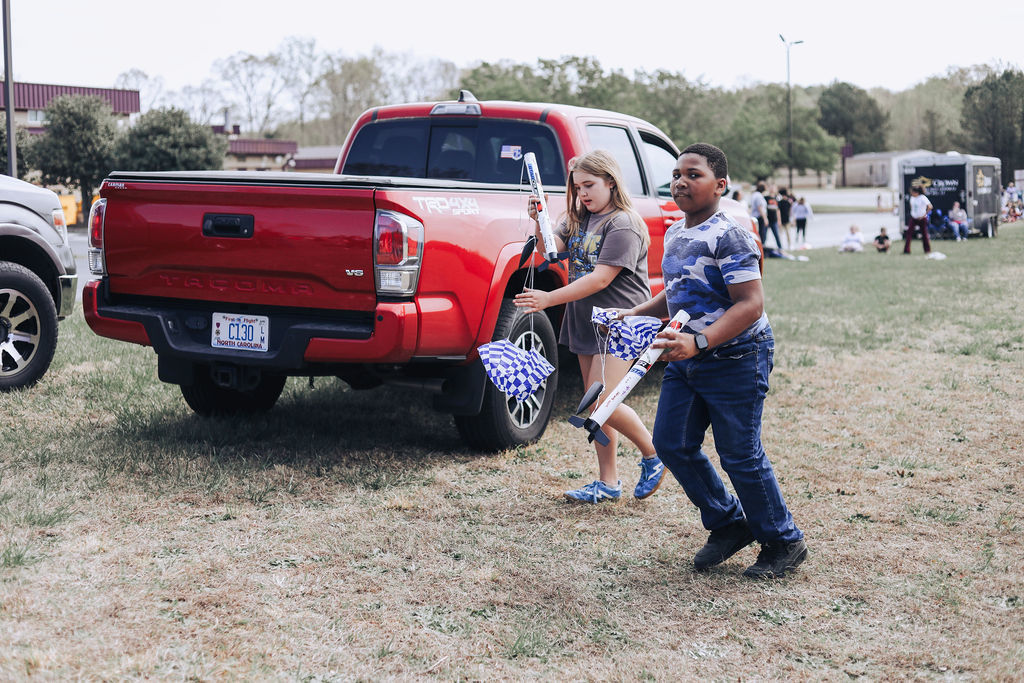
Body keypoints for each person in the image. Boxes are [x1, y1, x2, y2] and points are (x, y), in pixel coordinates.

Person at [619, 143, 807, 579]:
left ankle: (784, 541)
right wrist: (638, 312)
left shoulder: (731, 234)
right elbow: (682, 286)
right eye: (676, 174)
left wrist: (700, 343)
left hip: (737, 355)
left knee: (739, 453)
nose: (681, 181)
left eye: (694, 174)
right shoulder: (679, 232)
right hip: (688, 354)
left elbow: (750, 304)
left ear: (720, 185)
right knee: (671, 443)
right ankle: (728, 524)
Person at [514, 150, 665, 504]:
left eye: (590, 185)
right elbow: (549, 251)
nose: (583, 193)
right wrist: (539, 220)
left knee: (604, 400)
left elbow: (600, 279)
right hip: (586, 321)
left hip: (621, 323)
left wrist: (549, 299)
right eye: (577, 186)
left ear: (610, 182)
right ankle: (608, 482)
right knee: (596, 405)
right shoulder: (578, 219)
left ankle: (654, 456)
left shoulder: (623, 224)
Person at [904, 185, 932, 255]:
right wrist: (913, 213)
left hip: (922, 218)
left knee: (924, 234)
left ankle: (927, 250)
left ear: (916, 192)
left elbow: (930, 206)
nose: (911, 193)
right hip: (914, 218)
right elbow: (911, 206)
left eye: (912, 192)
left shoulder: (922, 198)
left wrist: (923, 215)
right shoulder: (912, 198)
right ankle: (906, 250)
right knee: (909, 233)